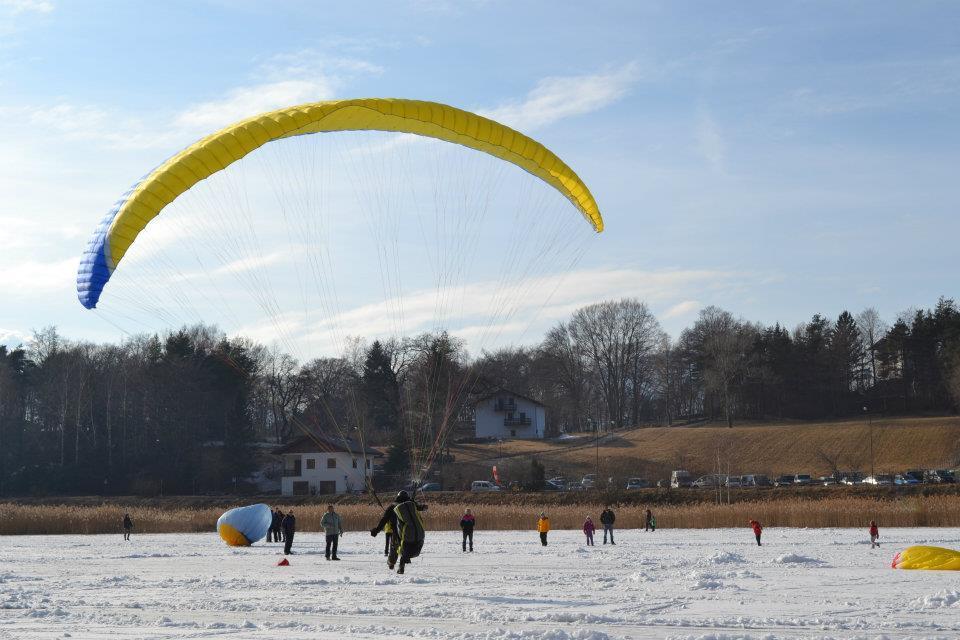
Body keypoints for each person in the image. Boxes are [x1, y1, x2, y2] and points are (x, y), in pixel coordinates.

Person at [371, 491, 427, 573]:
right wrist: (424, 507)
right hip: (409, 532)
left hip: (397, 532)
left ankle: (391, 563)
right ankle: (402, 565)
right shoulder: (411, 505)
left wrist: (376, 530)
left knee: (394, 548)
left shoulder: (392, 507)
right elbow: (419, 507)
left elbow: (384, 520)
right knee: (405, 548)